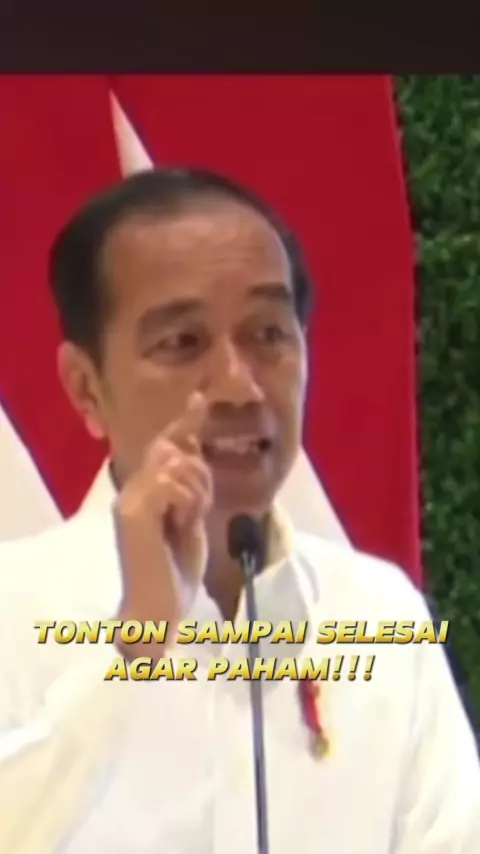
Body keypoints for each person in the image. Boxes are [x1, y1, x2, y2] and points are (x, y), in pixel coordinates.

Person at [0, 167, 478, 854]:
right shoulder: (12, 613)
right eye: (181, 344)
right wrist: (132, 654)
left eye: (268, 334)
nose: (238, 386)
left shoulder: (379, 617)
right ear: (86, 388)